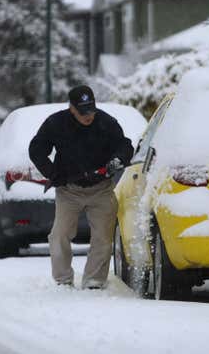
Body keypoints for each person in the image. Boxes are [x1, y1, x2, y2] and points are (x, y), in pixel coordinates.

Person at [29, 85, 133, 289]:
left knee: (103, 237)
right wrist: (52, 173)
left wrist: (117, 160)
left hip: (101, 189)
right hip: (69, 190)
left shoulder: (106, 122)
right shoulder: (55, 123)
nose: (88, 116)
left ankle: (94, 281)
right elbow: (37, 149)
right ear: (71, 108)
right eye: (83, 112)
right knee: (59, 234)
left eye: (91, 110)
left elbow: (124, 145)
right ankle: (63, 280)